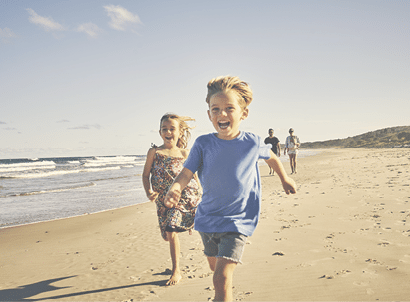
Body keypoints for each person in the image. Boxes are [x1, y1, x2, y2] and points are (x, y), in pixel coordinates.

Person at [164, 76, 296, 301]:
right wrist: (175, 187)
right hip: (207, 220)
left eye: (229, 109)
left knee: (221, 278)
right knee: (215, 270)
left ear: (243, 114)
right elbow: (186, 173)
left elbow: (272, 157)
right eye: (215, 109)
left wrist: (284, 179)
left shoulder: (251, 142)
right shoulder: (203, 144)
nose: (221, 115)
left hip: (238, 220)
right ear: (209, 115)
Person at [142, 113, 202, 286]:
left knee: (171, 229)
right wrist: (149, 192)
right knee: (167, 235)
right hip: (163, 200)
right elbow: (146, 175)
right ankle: (176, 263)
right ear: (160, 132)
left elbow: (194, 176)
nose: (168, 132)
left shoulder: (184, 153)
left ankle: (176, 271)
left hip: (184, 196)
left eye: (172, 129)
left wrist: (201, 191)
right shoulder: (154, 152)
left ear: (180, 131)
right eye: (164, 129)